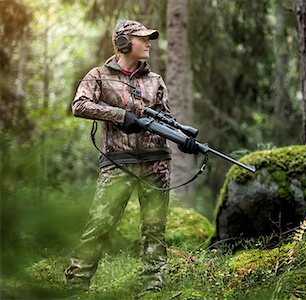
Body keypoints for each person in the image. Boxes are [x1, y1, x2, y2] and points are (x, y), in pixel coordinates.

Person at [64, 19, 197, 294]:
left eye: (149, 38)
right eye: (142, 38)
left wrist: (184, 141)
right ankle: (76, 284)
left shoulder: (155, 80)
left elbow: (168, 118)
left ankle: (152, 287)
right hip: (118, 164)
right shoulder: (99, 75)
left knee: (154, 229)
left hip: (156, 163)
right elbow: (79, 105)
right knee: (100, 225)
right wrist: (120, 116)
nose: (149, 43)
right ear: (123, 42)